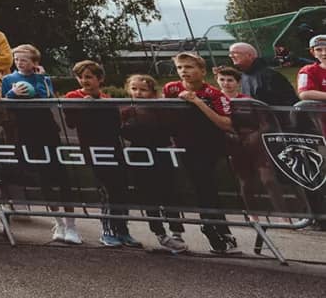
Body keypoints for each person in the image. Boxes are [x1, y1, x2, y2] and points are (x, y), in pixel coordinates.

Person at [162, 52, 241, 255]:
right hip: (180, 145)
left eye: (189, 67)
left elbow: (226, 123)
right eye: (180, 68)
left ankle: (218, 232)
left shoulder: (213, 93)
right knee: (189, 187)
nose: (184, 72)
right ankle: (179, 231)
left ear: (202, 71)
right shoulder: (171, 88)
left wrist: (197, 102)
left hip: (208, 146)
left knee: (207, 188)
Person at [1, 44, 78, 245]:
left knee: (61, 176)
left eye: (24, 59)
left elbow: (46, 97)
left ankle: (71, 224)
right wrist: (12, 94)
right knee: (42, 177)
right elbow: (4, 102)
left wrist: (39, 79)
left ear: (35, 62)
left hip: (46, 130)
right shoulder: (9, 79)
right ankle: (58, 222)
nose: (19, 62)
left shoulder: (42, 77)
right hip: (24, 131)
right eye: (16, 59)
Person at [62, 60, 139, 249]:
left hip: (113, 147)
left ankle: (123, 229)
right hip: (92, 149)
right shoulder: (73, 96)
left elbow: (116, 125)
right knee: (105, 189)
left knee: (120, 188)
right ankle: (108, 231)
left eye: (88, 77)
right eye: (80, 77)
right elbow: (70, 121)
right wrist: (84, 106)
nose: (84, 81)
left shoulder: (107, 98)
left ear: (100, 79)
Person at [119, 73, 188, 254]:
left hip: (162, 152)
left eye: (143, 90)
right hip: (139, 154)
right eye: (134, 89)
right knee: (147, 195)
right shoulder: (126, 110)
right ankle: (159, 233)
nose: (138, 93)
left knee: (170, 192)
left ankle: (177, 231)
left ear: (152, 91)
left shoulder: (161, 107)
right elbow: (124, 131)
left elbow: (170, 127)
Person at [227, 42, 297, 106]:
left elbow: (289, 104)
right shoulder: (245, 76)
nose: (231, 56)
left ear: (249, 55)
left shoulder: (271, 76)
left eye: (234, 53)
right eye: (230, 53)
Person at [299, 33, 326, 101]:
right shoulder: (307, 70)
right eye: (319, 50)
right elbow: (304, 94)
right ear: (313, 52)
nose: (324, 53)